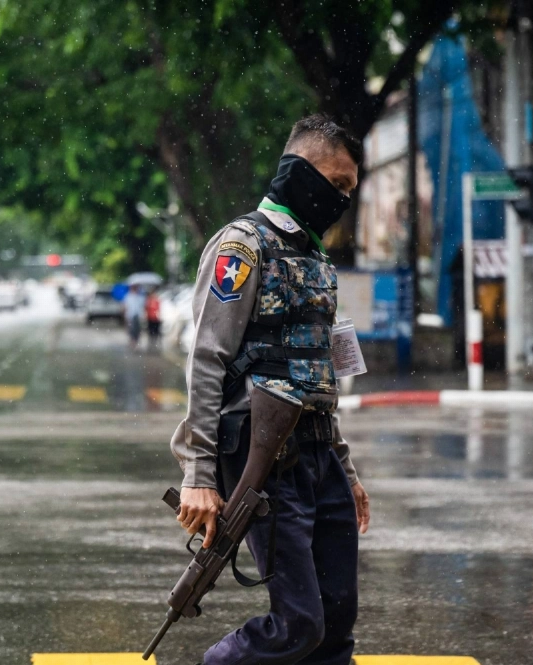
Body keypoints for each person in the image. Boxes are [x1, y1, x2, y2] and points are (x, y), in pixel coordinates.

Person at [170, 114, 370, 665]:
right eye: (337, 185)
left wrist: (345, 470)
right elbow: (207, 361)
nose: (343, 200)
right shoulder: (243, 247)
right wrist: (198, 476)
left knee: (336, 623)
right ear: (299, 172)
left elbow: (321, 375)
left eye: (350, 190)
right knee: (299, 623)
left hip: (319, 456)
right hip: (264, 459)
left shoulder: (317, 259)